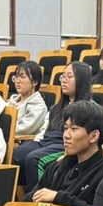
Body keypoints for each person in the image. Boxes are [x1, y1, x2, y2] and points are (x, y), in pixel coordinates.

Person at [28, 99, 103, 206]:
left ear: (94, 136)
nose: (66, 135)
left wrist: (58, 198)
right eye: (66, 128)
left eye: (74, 129)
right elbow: (29, 199)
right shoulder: (57, 167)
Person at [14, 61, 92, 189]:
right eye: (63, 76)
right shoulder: (57, 107)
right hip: (45, 141)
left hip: (63, 145)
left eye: (69, 77)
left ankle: (38, 198)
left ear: (81, 80)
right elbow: (45, 129)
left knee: (34, 159)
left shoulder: (89, 108)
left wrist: (66, 154)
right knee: (13, 155)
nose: (64, 80)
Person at [7, 60, 49, 138]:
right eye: (16, 76)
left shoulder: (38, 107)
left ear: (35, 82)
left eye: (22, 77)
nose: (18, 81)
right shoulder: (11, 102)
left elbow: (22, 130)